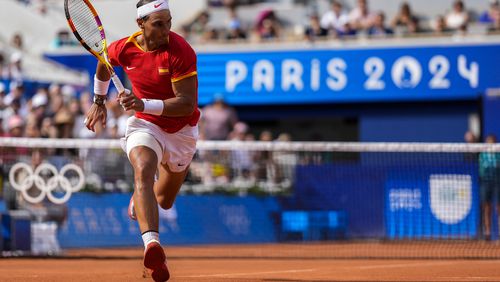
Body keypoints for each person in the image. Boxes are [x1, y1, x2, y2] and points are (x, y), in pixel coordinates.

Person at [84, 0, 200, 281]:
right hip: (146, 125)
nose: (166, 30)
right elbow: (104, 64)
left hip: (181, 131)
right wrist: (99, 101)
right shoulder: (123, 48)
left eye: (169, 22)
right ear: (142, 24)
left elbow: (186, 103)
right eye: (159, 24)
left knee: (165, 199)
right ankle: (152, 245)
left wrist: (142, 103)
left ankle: (142, 196)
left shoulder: (181, 50)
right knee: (143, 170)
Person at [479, 134, 500, 241]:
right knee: (486, 208)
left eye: (492, 142)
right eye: (488, 142)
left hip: (497, 183)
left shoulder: (498, 155)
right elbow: (481, 170)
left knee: (498, 207)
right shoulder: (482, 155)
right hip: (485, 183)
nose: (490, 144)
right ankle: (487, 233)